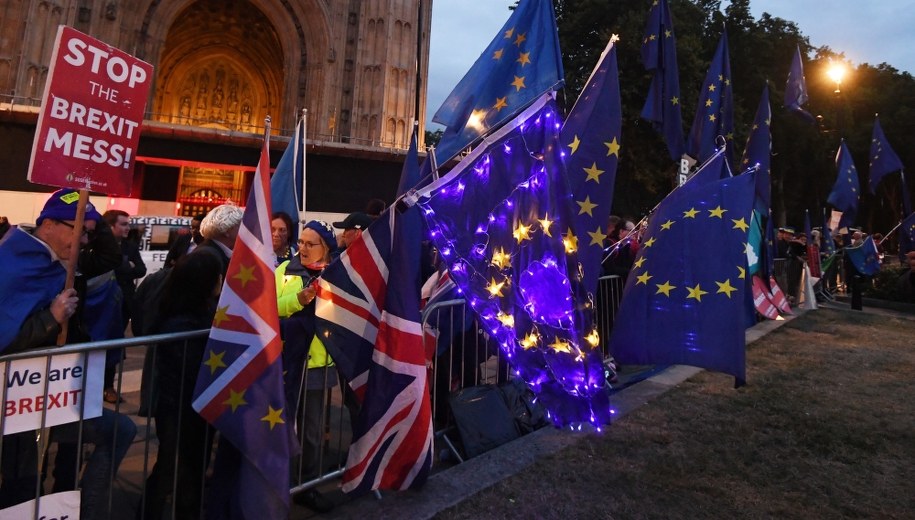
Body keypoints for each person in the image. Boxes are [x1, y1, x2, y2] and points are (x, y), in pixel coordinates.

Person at [0, 189, 137, 519]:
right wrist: (53, 317)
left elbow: (107, 257)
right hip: (18, 401)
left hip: (52, 392)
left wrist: (86, 196)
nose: (83, 240)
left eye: (88, 231)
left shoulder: (54, 260)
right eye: (77, 229)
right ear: (47, 225)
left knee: (115, 432)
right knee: (22, 485)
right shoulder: (16, 263)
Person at [142, 251, 223, 520]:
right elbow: (190, 370)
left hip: (189, 408)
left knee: (181, 470)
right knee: (175, 470)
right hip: (180, 408)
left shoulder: (194, 313)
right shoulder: (181, 324)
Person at [274, 220, 338, 513]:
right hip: (288, 363)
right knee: (282, 425)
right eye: (300, 242)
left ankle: (307, 485)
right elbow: (271, 306)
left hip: (319, 364)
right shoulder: (284, 270)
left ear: (325, 247)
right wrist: (298, 299)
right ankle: (277, 483)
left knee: (312, 430)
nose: (302, 248)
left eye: (309, 244)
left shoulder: (337, 274)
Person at [101, 209, 146, 403]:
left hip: (124, 303)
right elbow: (106, 268)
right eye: (124, 224)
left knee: (115, 347)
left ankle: (108, 386)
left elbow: (141, 269)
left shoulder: (129, 246)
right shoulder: (100, 246)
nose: (128, 228)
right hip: (102, 303)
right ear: (111, 226)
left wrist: (123, 269)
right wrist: (126, 267)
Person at [197, 204, 244, 275]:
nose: (244, 230)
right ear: (227, 231)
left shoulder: (211, 252)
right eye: (240, 226)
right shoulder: (207, 258)